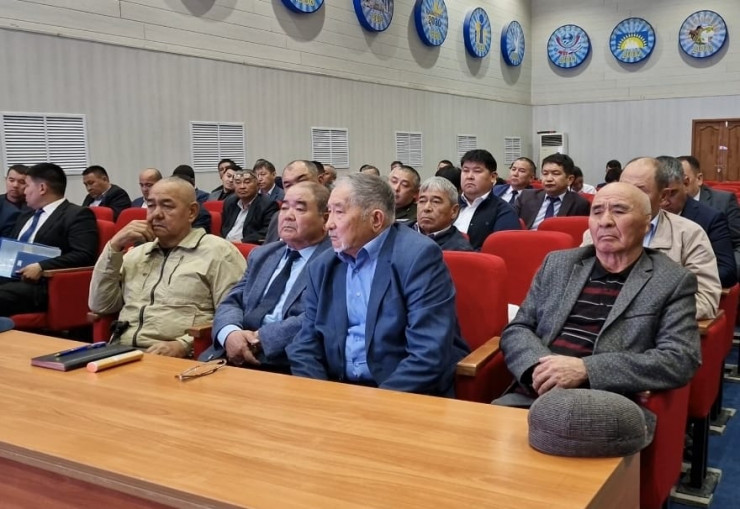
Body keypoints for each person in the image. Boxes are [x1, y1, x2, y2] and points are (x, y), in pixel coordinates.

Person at [497, 183, 700, 409]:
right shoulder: (558, 264)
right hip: (532, 393)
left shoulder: (671, 280)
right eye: (597, 212)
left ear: (646, 223)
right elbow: (518, 328)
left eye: (619, 211)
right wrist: (541, 369)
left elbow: (680, 359)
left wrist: (587, 369)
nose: (605, 221)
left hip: (604, 404)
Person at [287, 173, 470, 396]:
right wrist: (320, 396)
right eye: (329, 212)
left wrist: (374, 404)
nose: (328, 224)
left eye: (339, 212)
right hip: (336, 391)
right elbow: (305, 344)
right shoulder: (323, 265)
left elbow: (428, 353)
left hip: (402, 393)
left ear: (375, 219)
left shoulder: (418, 257)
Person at [88, 177, 245, 357]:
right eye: (151, 206)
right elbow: (101, 306)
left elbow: (232, 315)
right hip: (122, 351)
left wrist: (184, 345)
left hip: (180, 357)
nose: (156, 214)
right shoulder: (136, 255)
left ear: (192, 212)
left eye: (167, 206)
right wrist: (114, 247)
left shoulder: (218, 253)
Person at [204, 182, 333, 370]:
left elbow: (318, 317)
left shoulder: (335, 261)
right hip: (232, 352)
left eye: (299, 209)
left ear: (325, 219)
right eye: (285, 207)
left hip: (286, 361)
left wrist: (259, 339)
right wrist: (230, 333)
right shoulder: (262, 254)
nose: (288, 215)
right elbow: (232, 301)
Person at [582, 157, 721, 320]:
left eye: (639, 191)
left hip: (653, 329)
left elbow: (705, 301)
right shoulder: (597, 233)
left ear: (663, 196)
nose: (628, 197)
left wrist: (632, 311)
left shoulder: (689, 234)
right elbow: (575, 288)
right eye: (624, 188)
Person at [1, 163, 98, 316]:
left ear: (42, 188)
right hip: (10, 276)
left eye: (27, 185)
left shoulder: (77, 215)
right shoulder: (26, 214)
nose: (24, 191)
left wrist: (41, 266)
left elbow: (84, 255)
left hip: (42, 284)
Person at [658, 155, 736, 288]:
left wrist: (674, 283)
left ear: (685, 184)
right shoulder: (642, 217)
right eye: (660, 195)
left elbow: (727, 272)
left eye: (672, 193)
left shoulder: (710, 218)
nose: (664, 202)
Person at [680, 154, 740, 280]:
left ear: (699, 179)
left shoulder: (723, 202)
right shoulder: (665, 204)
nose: (680, 185)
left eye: (684, 180)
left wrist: (728, 275)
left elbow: (738, 244)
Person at [453, 149, 520, 250]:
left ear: (493, 177)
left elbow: (502, 250)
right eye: (465, 170)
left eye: (477, 171)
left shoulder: (504, 211)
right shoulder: (449, 204)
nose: (469, 176)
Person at [516, 153, 591, 230]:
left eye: (555, 174)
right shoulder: (526, 196)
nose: (549, 179)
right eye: (545, 173)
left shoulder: (580, 204)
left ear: (569, 179)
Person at [264, 160, 321, 244]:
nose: (295, 189)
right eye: (288, 185)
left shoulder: (333, 218)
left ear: (320, 181)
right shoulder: (278, 217)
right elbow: (267, 248)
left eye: (302, 182)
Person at [411, 177, 472, 251]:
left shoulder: (459, 249)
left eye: (436, 202)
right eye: (422, 201)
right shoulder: (399, 230)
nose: (426, 208)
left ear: (454, 211)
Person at [221, 170, 278, 242]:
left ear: (257, 185)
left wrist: (242, 241)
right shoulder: (230, 202)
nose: (242, 187)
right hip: (225, 243)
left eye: (247, 182)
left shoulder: (268, 204)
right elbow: (224, 228)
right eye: (238, 182)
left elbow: (267, 232)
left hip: (247, 245)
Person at [0, 164, 30, 236]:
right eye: (11, 180)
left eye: (22, 182)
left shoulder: (33, 206)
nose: (15, 185)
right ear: (6, 180)